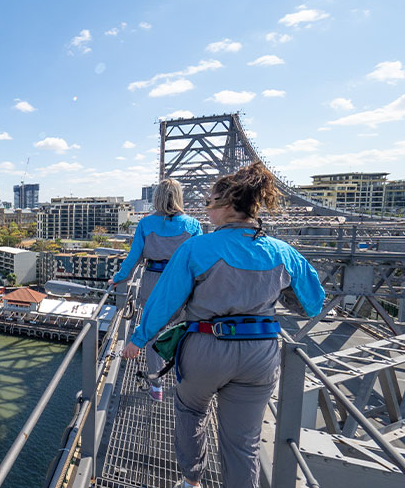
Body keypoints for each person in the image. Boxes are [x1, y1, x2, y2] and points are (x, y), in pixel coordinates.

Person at [121, 162, 324, 488]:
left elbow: (164, 302)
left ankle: (192, 481)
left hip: (206, 348)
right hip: (260, 355)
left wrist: (139, 338)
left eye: (210, 203)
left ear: (227, 206)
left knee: (190, 414)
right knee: (244, 443)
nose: (206, 210)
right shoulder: (282, 251)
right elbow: (313, 302)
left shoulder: (197, 248)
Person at [109, 178, 202, 401]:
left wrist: (119, 278)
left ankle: (156, 385)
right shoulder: (193, 225)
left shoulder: (146, 223)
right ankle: (185, 378)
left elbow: (133, 259)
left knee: (151, 331)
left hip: (153, 279)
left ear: (156, 197)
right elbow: (199, 260)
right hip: (182, 283)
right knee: (184, 329)